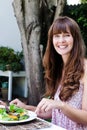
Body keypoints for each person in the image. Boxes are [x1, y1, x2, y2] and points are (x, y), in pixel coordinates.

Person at [1, 16, 87, 129]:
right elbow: (55, 112)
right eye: (57, 36)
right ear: (52, 40)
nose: (61, 40)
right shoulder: (59, 68)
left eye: (67, 35)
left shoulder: (85, 68)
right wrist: (24, 108)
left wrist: (61, 105)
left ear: (75, 38)